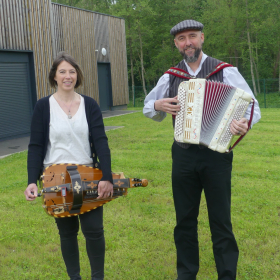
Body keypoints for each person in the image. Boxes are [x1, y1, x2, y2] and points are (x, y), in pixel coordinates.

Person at [143, 20, 261, 280]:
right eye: (182, 38)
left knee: (221, 220)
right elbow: (148, 107)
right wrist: (158, 105)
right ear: (176, 44)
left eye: (192, 36)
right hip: (183, 155)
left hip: (217, 155)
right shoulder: (171, 76)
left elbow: (253, 107)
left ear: (202, 38)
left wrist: (243, 122)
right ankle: (186, 274)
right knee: (184, 219)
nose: (188, 42)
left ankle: (227, 275)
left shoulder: (225, 70)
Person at [24, 52, 113, 280]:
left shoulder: (89, 105)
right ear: (54, 76)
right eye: (62, 71)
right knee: (67, 233)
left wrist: (106, 177)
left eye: (72, 71)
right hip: (56, 180)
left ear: (77, 76)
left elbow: (101, 142)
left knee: (94, 231)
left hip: (88, 176)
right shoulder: (44, 107)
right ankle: (75, 277)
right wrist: (31, 181)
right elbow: (35, 146)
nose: (67, 76)